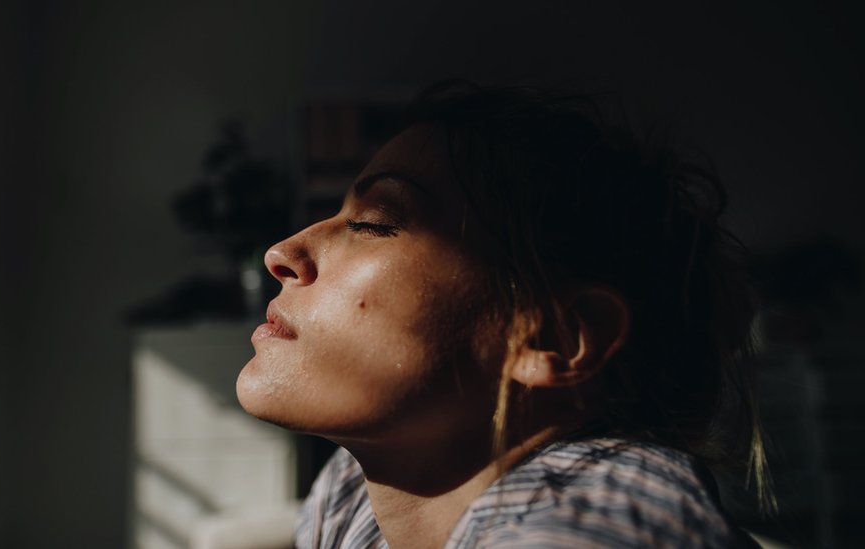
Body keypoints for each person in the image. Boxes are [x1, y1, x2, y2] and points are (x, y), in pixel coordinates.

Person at [236, 81, 770, 548]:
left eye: (373, 222)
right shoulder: (354, 491)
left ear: (556, 337)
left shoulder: (596, 519)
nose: (281, 252)